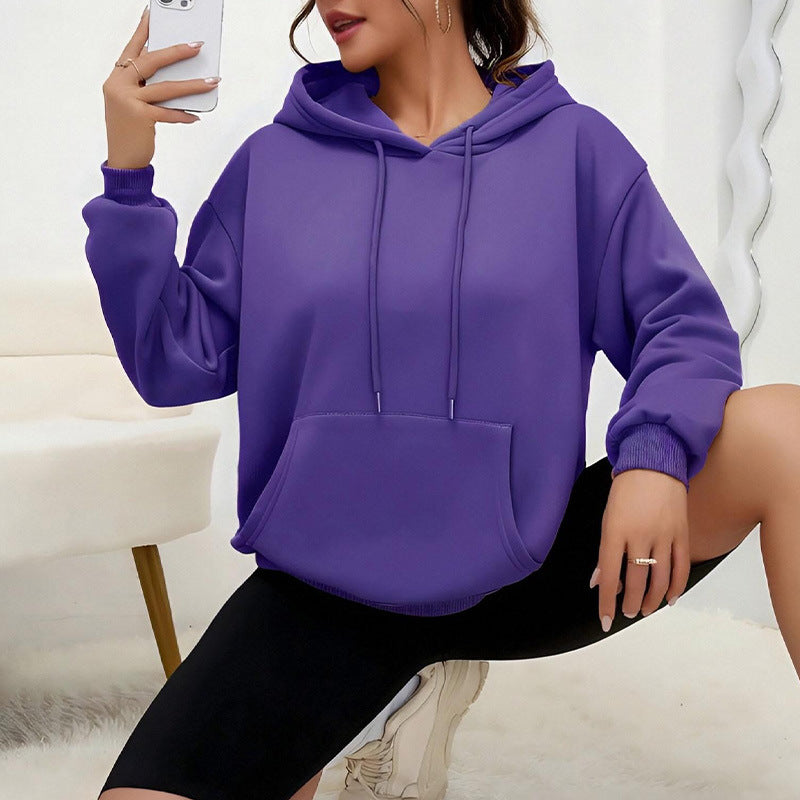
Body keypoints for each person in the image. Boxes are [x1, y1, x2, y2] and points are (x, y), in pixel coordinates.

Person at [82, 2, 757, 799]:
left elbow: (682, 325)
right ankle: (387, 704)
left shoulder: (576, 149)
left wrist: (653, 460)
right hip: (323, 593)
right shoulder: (275, 161)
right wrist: (128, 175)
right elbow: (175, 363)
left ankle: (415, 686)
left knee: (778, 430)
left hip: (524, 570)